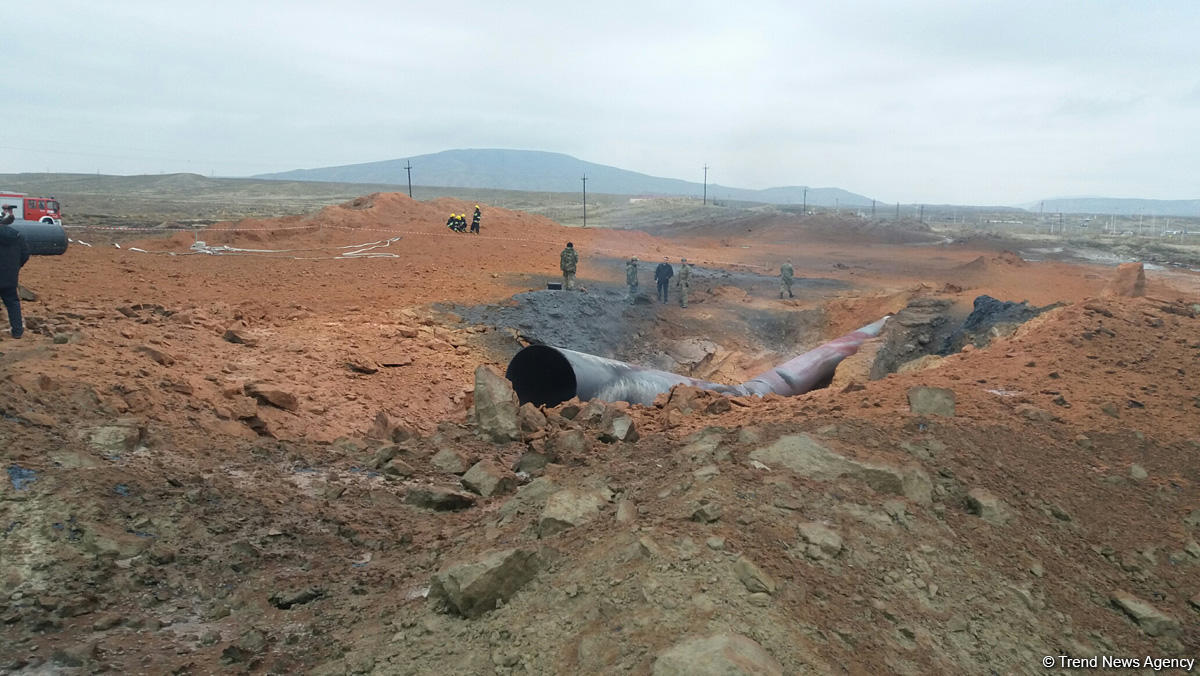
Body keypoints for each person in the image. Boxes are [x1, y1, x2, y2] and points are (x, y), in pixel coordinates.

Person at [0, 204, 30, 339]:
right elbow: (25, 255)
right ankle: (17, 332)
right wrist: (15, 267)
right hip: (10, 277)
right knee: (12, 303)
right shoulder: (18, 236)